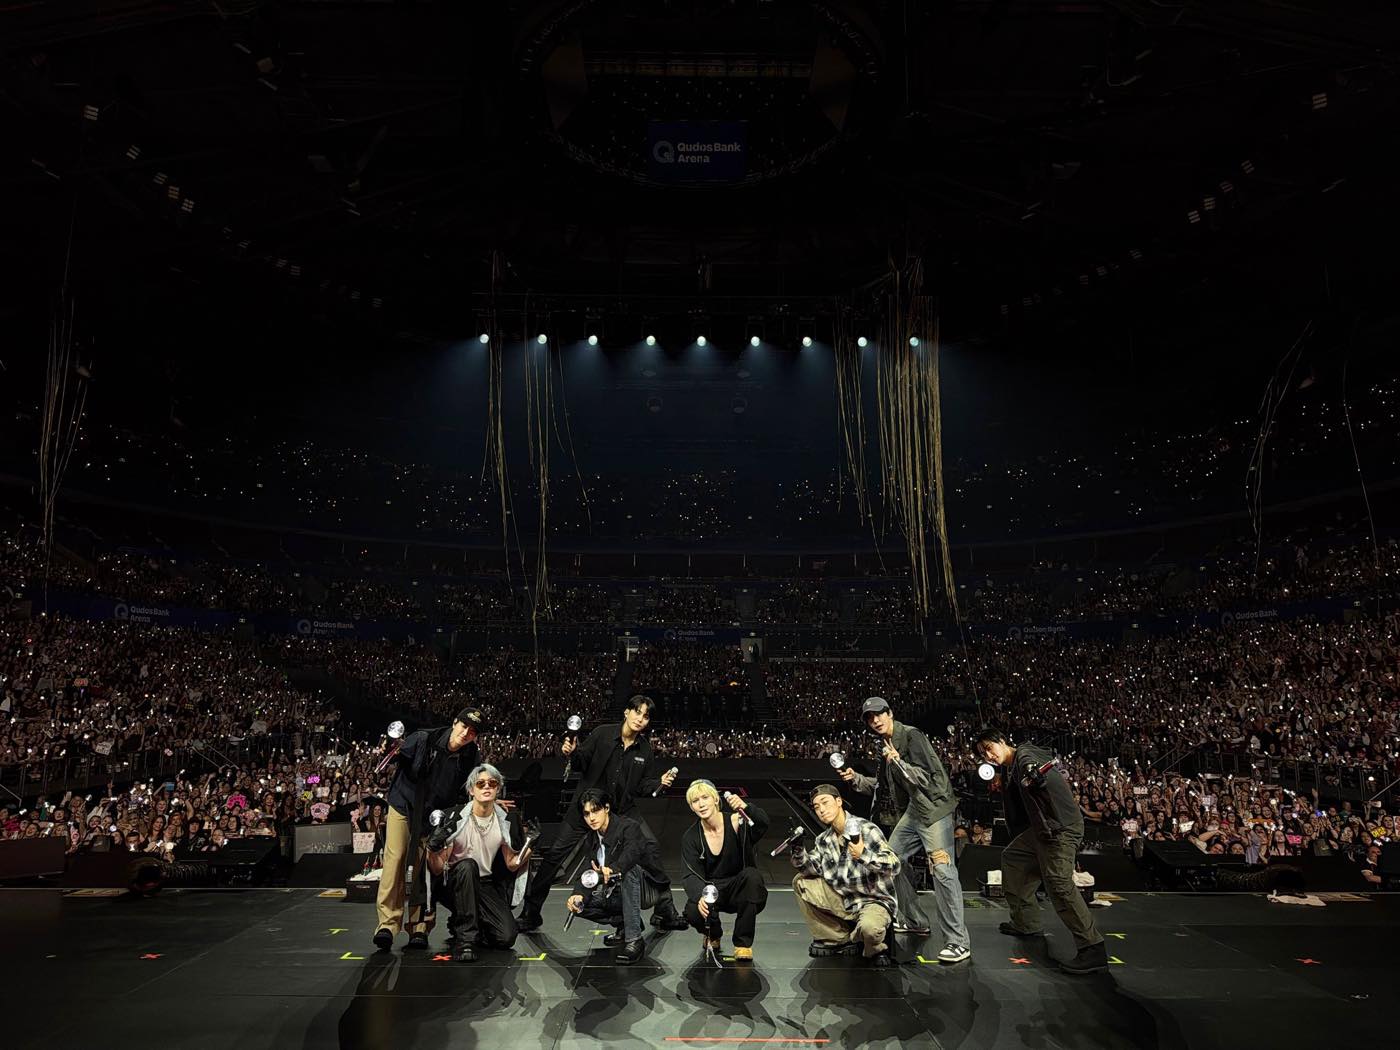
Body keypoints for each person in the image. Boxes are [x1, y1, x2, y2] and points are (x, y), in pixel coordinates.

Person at [519, 695, 686, 932]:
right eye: (637, 712)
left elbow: (642, 787)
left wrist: (659, 783)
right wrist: (572, 753)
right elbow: (581, 762)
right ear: (626, 712)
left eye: (646, 716)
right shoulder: (602, 734)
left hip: (619, 811)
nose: (640, 719)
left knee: (650, 847)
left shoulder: (645, 750)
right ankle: (531, 912)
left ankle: (664, 910)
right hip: (586, 808)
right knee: (555, 856)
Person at [841, 696, 969, 962]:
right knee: (889, 861)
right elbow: (883, 787)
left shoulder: (912, 736)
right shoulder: (886, 744)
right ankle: (915, 920)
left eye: (879, 714)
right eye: (870, 718)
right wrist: (856, 779)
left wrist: (899, 762)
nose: (875, 720)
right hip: (914, 811)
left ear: (890, 713)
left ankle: (958, 941)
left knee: (943, 870)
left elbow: (930, 776)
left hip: (934, 808)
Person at [975, 726, 1107, 975]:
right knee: (1013, 858)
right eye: (983, 754)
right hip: (1041, 829)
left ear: (1002, 740)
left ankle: (1092, 948)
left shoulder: (1025, 755)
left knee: (1058, 883)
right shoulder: (1008, 769)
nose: (989, 756)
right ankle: (1026, 923)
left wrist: (1033, 773)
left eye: (989, 749)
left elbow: (1033, 766)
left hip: (1060, 827)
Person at [373, 707, 484, 952]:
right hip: (404, 805)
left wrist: (491, 803)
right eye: (464, 726)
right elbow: (396, 754)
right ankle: (387, 924)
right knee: (395, 859)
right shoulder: (424, 738)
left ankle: (420, 926)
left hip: (433, 816)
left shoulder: (471, 756)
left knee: (424, 868)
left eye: (472, 732)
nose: (466, 733)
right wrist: (389, 749)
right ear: (454, 723)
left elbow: (473, 786)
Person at [425, 763, 531, 962]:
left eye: (492, 783)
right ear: (471, 790)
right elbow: (438, 869)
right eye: (480, 784)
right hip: (455, 882)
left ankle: (463, 923)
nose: (487, 787)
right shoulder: (455, 819)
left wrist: (530, 845)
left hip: (484, 883)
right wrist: (431, 849)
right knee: (468, 866)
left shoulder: (504, 821)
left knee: (506, 937)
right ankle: (465, 941)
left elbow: (512, 863)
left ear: (498, 789)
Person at [790, 783, 901, 967]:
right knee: (801, 881)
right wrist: (798, 849)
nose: (821, 810)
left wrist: (864, 854)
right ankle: (837, 938)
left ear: (839, 802)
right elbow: (810, 870)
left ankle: (871, 944)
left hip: (873, 901)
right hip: (845, 901)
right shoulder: (824, 840)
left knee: (869, 930)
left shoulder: (866, 830)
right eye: (816, 807)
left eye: (825, 802)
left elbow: (894, 865)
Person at [679, 780, 769, 961]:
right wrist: (700, 896)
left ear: (715, 799)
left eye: (705, 798)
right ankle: (714, 934)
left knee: (752, 877)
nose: (701, 804)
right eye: (695, 801)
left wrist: (746, 808)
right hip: (712, 889)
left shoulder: (736, 821)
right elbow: (690, 874)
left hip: (739, 886)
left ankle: (742, 944)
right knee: (692, 911)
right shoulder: (691, 836)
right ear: (691, 807)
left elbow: (762, 824)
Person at [564, 789, 654, 964]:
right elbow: (586, 870)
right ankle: (625, 924)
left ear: (606, 808)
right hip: (614, 891)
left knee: (630, 871)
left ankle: (634, 939)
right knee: (579, 905)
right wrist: (578, 894)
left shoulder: (628, 827)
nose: (591, 818)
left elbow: (632, 854)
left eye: (595, 811)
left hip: (644, 888)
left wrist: (613, 869)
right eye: (587, 814)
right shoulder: (591, 838)